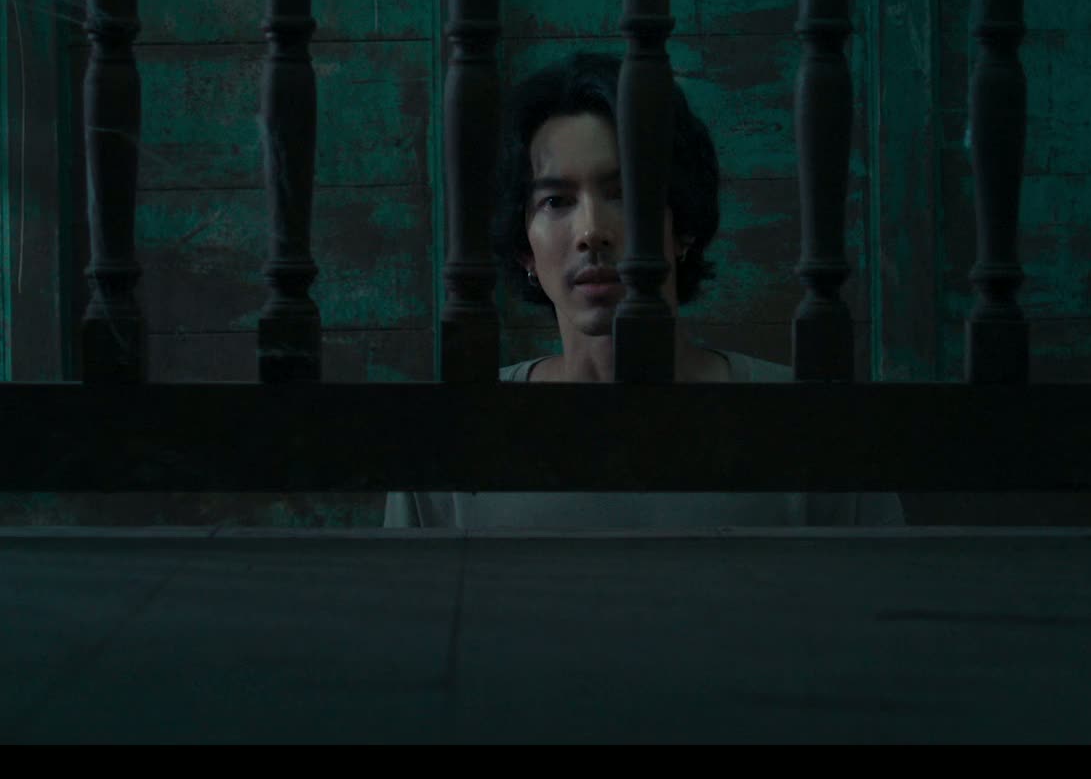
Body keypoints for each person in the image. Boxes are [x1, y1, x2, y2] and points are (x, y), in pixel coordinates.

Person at [385, 51, 905, 528]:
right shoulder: (448, 435)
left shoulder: (813, 428)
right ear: (525, 248)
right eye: (556, 201)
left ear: (683, 228)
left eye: (625, 194)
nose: (592, 231)